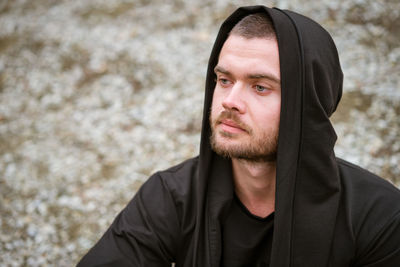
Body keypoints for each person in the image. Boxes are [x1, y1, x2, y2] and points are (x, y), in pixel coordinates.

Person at [77, 5, 400, 266]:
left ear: (308, 106)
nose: (230, 101)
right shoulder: (171, 197)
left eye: (260, 87)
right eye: (225, 80)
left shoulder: (380, 218)